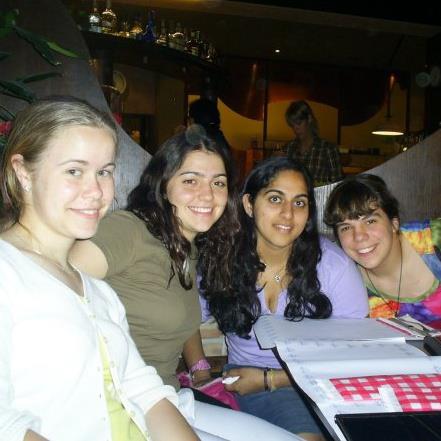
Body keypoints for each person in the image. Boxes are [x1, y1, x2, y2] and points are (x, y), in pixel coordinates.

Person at [70, 126, 304, 441]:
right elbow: (49, 287)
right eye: (191, 180)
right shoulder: (128, 230)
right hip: (112, 405)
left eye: (218, 183)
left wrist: (199, 369)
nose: (207, 195)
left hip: (166, 396)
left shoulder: (189, 249)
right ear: (163, 184)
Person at [0, 97, 198, 441]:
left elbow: (145, 391)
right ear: (23, 172)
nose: (95, 191)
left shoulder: (98, 291)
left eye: (104, 172)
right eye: (74, 171)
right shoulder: (8, 272)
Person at [199, 156, 368, 440]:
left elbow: (355, 352)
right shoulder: (222, 258)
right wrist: (199, 370)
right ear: (249, 204)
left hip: (318, 382)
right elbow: (184, 318)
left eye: (299, 203)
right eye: (275, 199)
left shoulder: (333, 266)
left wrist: (271, 379)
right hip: (245, 379)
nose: (288, 214)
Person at [324, 174, 441, 329]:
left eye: (370, 221)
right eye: (345, 227)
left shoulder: (434, 239)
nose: (359, 236)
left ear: (394, 223)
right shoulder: (341, 278)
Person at [284, 100, 343, 186]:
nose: (295, 129)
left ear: (309, 119)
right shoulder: (289, 148)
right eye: (292, 125)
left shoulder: (327, 149)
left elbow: (337, 185)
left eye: (299, 123)